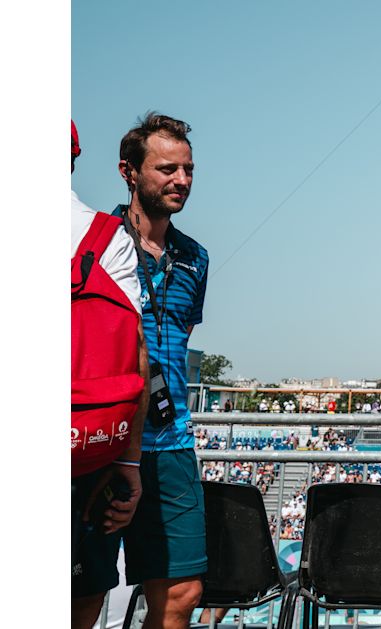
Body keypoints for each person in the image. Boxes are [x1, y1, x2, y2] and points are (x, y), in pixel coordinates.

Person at [109, 112, 210, 629]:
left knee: (182, 591)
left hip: (170, 443)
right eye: (167, 169)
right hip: (105, 440)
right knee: (84, 593)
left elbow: (180, 340)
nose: (182, 181)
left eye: (188, 169)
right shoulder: (97, 246)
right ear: (129, 172)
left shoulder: (196, 256)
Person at [71, 120, 149, 629]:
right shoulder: (106, 236)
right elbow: (136, 355)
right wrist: (130, 460)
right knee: (81, 592)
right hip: (88, 445)